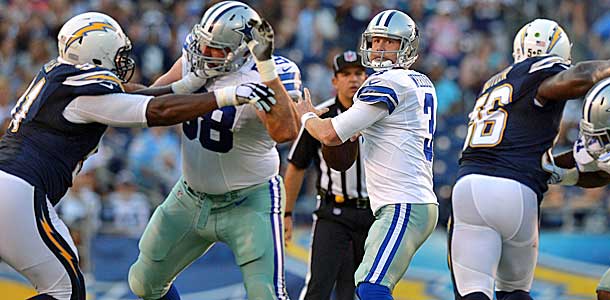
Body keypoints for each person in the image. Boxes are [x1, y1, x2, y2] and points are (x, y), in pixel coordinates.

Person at [0, 11, 276, 300]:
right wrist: (227, 96)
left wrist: (186, 84)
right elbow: (157, 112)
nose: (123, 62)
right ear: (97, 55)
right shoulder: (85, 96)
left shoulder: (61, 75)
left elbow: (139, 94)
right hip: (19, 190)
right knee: (66, 292)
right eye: (118, 54)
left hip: (11, 183)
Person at [127, 2, 301, 300]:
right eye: (203, 45)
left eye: (216, 49)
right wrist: (185, 84)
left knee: (267, 295)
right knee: (144, 283)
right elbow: (151, 103)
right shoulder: (194, 61)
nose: (204, 54)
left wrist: (267, 69)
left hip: (250, 201)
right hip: (191, 197)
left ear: (245, 50)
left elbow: (285, 132)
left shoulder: (268, 73)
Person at [450, 18, 610, 300]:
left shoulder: (495, 82)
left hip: (470, 186)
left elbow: (522, 144)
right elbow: (578, 77)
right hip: (517, 191)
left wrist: (563, 167)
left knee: (472, 292)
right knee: (515, 293)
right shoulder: (540, 71)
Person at [294, 10, 439, 300]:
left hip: (403, 202)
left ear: (407, 47)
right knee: (366, 286)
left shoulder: (386, 83)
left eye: (390, 42)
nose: (380, 49)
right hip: (410, 201)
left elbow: (329, 134)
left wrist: (306, 117)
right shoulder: (420, 81)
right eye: (376, 42)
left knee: (371, 286)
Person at [541, 60, 610, 300]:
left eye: (604, 136)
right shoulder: (609, 131)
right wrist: (560, 174)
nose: (597, 146)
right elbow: (597, 170)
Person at [284, 51, 373, 300]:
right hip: (333, 212)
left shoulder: (379, 113)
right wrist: (287, 213)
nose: (353, 80)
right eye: (345, 74)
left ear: (366, 77)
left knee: (361, 290)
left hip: (373, 213)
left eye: (358, 73)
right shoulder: (320, 116)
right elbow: (296, 165)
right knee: (318, 289)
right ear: (334, 81)